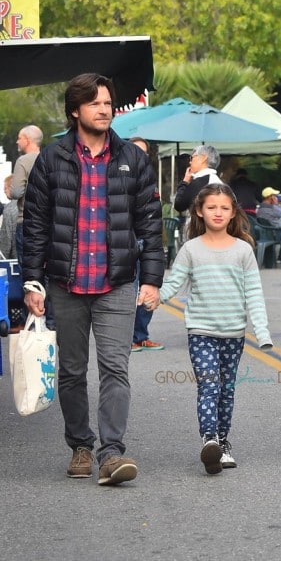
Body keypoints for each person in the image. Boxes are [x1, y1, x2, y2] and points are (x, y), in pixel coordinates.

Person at [23, 73, 164, 486]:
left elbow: (150, 224)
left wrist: (151, 279)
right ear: (75, 110)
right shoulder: (52, 158)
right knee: (70, 371)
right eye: (95, 103)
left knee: (115, 368)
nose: (104, 109)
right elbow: (35, 225)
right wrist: (33, 281)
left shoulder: (133, 159)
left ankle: (111, 453)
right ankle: (81, 446)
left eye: (108, 103)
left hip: (117, 281)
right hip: (65, 283)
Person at [157, 183, 272, 474]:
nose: (217, 213)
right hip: (201, 332)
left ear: (233, 213)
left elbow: (254, 294)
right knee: (209, 385)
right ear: (199, 211)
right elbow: (173, 283)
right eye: (211, 207)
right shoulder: (191, 249)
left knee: (227, 390)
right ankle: (210, 439)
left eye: (224, 208)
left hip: (233, 334)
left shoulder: (243, 250)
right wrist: (152, 297)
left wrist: (262, 331)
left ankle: (222, 442)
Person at [129, 137, 164, 352]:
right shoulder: (117, 175)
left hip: (147, 241)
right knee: (130, 292)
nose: (139, 156)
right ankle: (128, 338)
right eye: (135, 151)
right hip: (126, 243)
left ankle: (141, 335)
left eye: (143, 152)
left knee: (148, 288)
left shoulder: (149, 179)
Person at [9, 124, 43, 265]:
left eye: (19, 138)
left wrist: (10, 192)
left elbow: (16, 192)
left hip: (27, 221)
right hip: (48, 222)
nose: (17, 141)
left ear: (27, 140)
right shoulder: (50, 158)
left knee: (28, 272)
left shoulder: (23, 161)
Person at [173, 145, 222, 214]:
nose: (190, 162)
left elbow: (179, 205)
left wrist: (185, 181)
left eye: (192, 158)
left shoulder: (200, 182)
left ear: (203, 158)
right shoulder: (218, 181)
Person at [0, 175, 18, 259]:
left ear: (12, 188)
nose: (4, 191)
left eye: (5, 188)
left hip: (15, 259)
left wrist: (2, 259)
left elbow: (6, 240)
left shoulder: (9, 209)